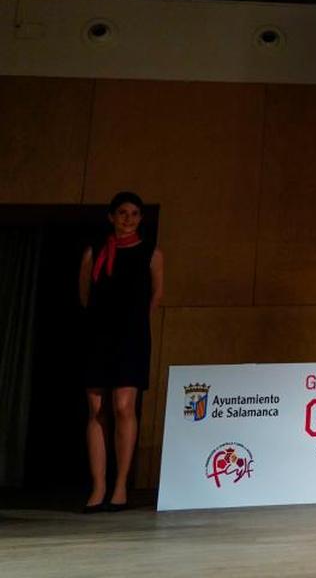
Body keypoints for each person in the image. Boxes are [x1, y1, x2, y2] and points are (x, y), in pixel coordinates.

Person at [78, 191, 163, 512]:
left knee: (124, 406)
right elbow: (85, 295)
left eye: (135, 213)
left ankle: (120, 486)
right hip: (99, 334)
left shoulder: (152, 254)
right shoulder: (94, 252)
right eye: (123, 212)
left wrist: (133, 323)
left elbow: (155, 297)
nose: (129, 219)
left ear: (141, 218)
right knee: (96, 408)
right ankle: (98, 486)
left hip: (131, 335)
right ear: (111, 216)